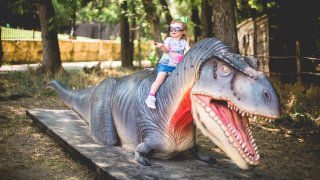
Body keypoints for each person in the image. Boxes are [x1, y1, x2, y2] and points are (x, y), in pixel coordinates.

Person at [145, 16, 190, 109]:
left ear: (183, 31)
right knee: (159, 79)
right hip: (165, 65)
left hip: (176, 67)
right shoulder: (169, 40)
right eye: (171, 28)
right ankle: (151, 97)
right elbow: (166, 50)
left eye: (177, 29)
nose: (173, 30)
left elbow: (189, 51)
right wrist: (162, 46)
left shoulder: (184, 42)